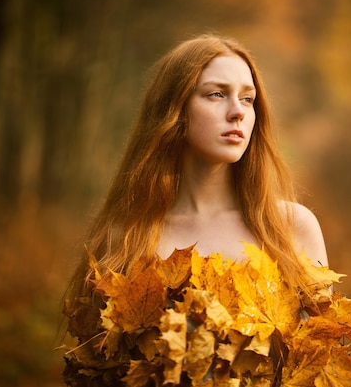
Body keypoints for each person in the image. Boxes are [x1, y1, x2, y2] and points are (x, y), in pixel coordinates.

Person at [66, 33, 328, 303]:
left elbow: (321, 342)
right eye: (216, 94)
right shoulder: (127, 238)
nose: (237, 111)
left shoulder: (292, 229)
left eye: (248, 99)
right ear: (174, 109)